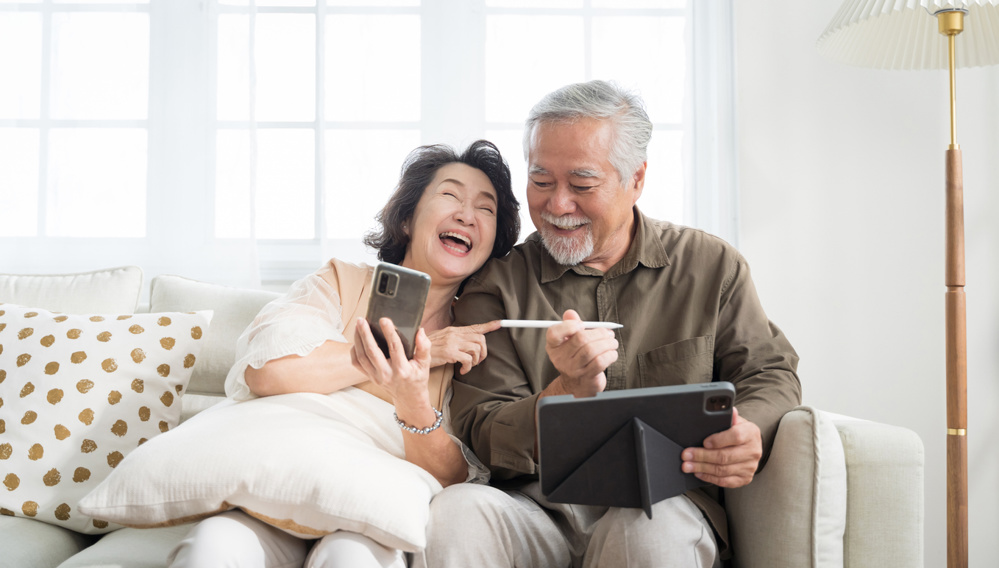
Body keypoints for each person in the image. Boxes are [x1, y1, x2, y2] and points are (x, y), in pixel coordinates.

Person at [421, 81, 801, 568]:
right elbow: (481, 433)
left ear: (636, 179)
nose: (557, 205)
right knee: (458, 510)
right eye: (540, 181)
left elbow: (770, 372)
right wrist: (565, 391)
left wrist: (749, 428)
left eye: (582, 185)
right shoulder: (495, 285)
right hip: (535, 510)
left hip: (665, 504)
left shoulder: (711, 267)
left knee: (649, 528)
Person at [167, 139, 520, 568]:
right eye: (450, 195)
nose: (467, 214)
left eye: (486, 208)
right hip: (275, 492)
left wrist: (411, 397)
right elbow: (267, 371)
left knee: (351, 557)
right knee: (215, 547)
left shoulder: (478, 341)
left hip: (369, 517)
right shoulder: (338, 281)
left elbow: (452, 477)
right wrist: (402, 357)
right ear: (407, 219)